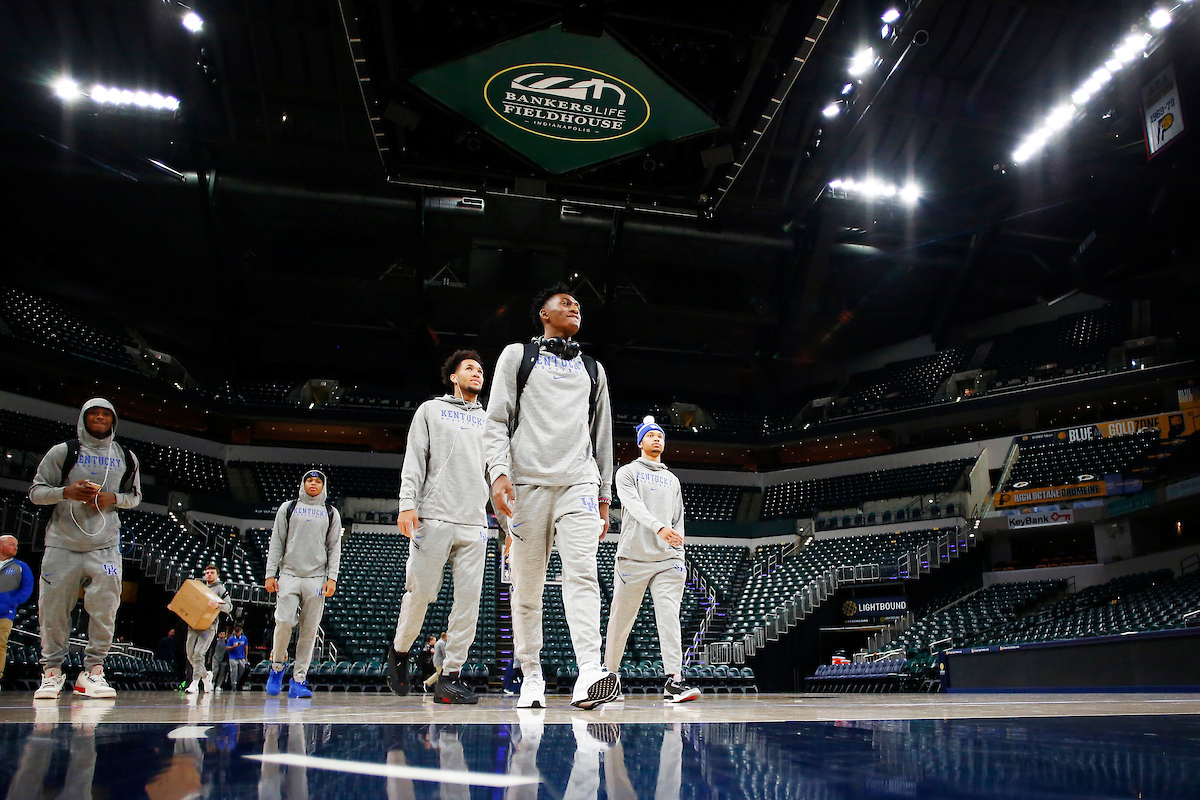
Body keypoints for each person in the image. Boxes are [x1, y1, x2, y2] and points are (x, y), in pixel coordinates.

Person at [484, 284, 617, 709]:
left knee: (583, 573)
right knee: (527, 587)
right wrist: (498, 473)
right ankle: (532, 676)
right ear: (543, 314)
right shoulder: (517, 356)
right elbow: (497, 419)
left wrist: (603, 495)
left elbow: (603, 437)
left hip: (578, 482)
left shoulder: (594, 369)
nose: (574, 307)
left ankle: (590, 673)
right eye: (565, 303)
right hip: (526, 485)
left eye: (577, 304)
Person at [386, 350, 489, 705]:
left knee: (469, 603)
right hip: (435, 515)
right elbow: (415, 457)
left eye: (480, 369)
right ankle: (400, 652)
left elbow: (498, 475)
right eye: (469, 368)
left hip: (475, 521)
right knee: (422, 593)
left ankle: (450, 675)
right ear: (453, 376)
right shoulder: (430, 410)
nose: (477, 373)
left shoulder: (490, 421)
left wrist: (506, 525)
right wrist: (407, 503)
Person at [28, 398, 141, 699]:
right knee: (53, 611)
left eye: (106, 414)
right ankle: (51, 672)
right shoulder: (63, 452)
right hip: (62, 544)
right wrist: (67, 492)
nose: (100, 418)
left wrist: (112, 499)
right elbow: (36, 492)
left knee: (105, 611)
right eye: (95, 414)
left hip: (105, 547)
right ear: (84, 418)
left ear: (113, 421)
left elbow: (135, 496)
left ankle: (93, 672)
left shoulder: (126, 457)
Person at [604, 417, 700, 703]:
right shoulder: (627, 472)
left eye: (660, 435)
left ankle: (674, 679)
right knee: (621, 619)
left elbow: (678, 518)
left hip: (668, 559)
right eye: (651, 435)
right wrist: (658, 527)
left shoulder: (672, 479)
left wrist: (678, 552)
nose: (657, 439)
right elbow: (632, 506)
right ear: (640, 442)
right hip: (633, 556)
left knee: (669, 616)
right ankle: (610, 677)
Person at [264, 470, 341, 699]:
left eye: (318, 481)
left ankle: (299, 679)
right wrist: (270, 573)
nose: (314, 484)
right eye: (310, 480)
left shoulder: (331, 512)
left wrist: (332, 577)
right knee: (284, 622)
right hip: (289, 573)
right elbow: (276, 541)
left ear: (323, 485)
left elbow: (334, 546)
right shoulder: (288, 508)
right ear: (303, 484)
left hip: (316, 578)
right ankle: (277, 666)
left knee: (309, 632)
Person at [185, 564, 232, 694]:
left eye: (212, 572)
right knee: (190, 654)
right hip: (194, 624)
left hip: (208, 626)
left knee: (199, 653)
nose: (209, 575)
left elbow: (229, 607)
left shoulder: (220, 589)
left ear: (217, 575)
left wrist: (218, 605)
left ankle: (194, 683)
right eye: (207, 573)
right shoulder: (199, 586)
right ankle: (206, 677)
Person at [0, 534, 35, 691]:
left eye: (16, 545)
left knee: (0, 644)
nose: (16, 547)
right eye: (12, 545)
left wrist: (12, 602)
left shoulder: (21, 567)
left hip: (4, 613)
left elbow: (27, 588)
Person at [226, 624, 249, 690]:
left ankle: (239, 682)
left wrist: (246, 656)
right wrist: (234, 646)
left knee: (242, 668)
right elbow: (227, 648)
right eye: (237, 632)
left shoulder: (244, 638)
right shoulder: (231, 639)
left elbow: (245, 647)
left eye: (239, 632)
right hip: (233, 657)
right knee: (234, 671)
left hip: (241, 656)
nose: (238, 633)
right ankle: (233, 685)